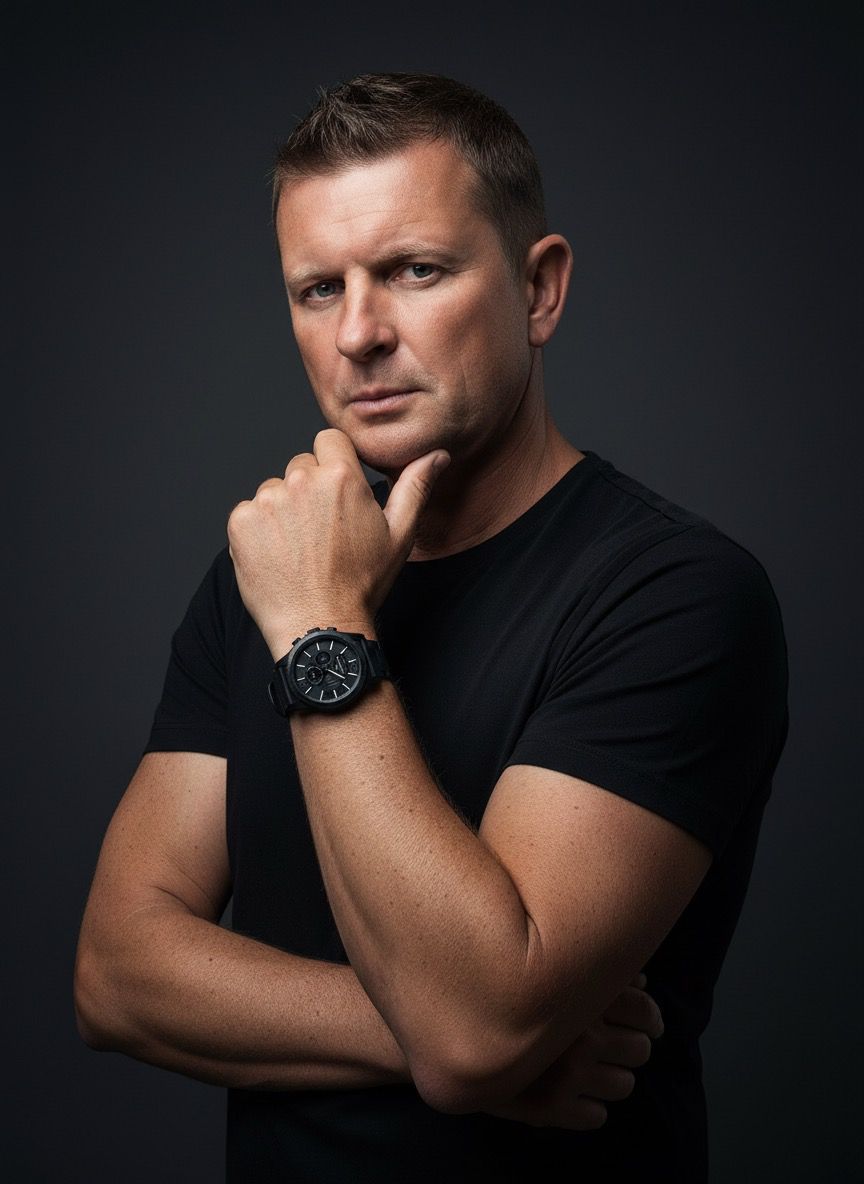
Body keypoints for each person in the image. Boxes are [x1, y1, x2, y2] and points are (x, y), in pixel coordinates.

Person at [74, 73, 788, 1182]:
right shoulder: (261, 573)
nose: (359, 333)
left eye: (416, 270)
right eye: (319, 289)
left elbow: (473, 1030)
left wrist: (319, 622)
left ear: (539, 289)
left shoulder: (675, 592)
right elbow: (117, 975)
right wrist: (441, 1035)